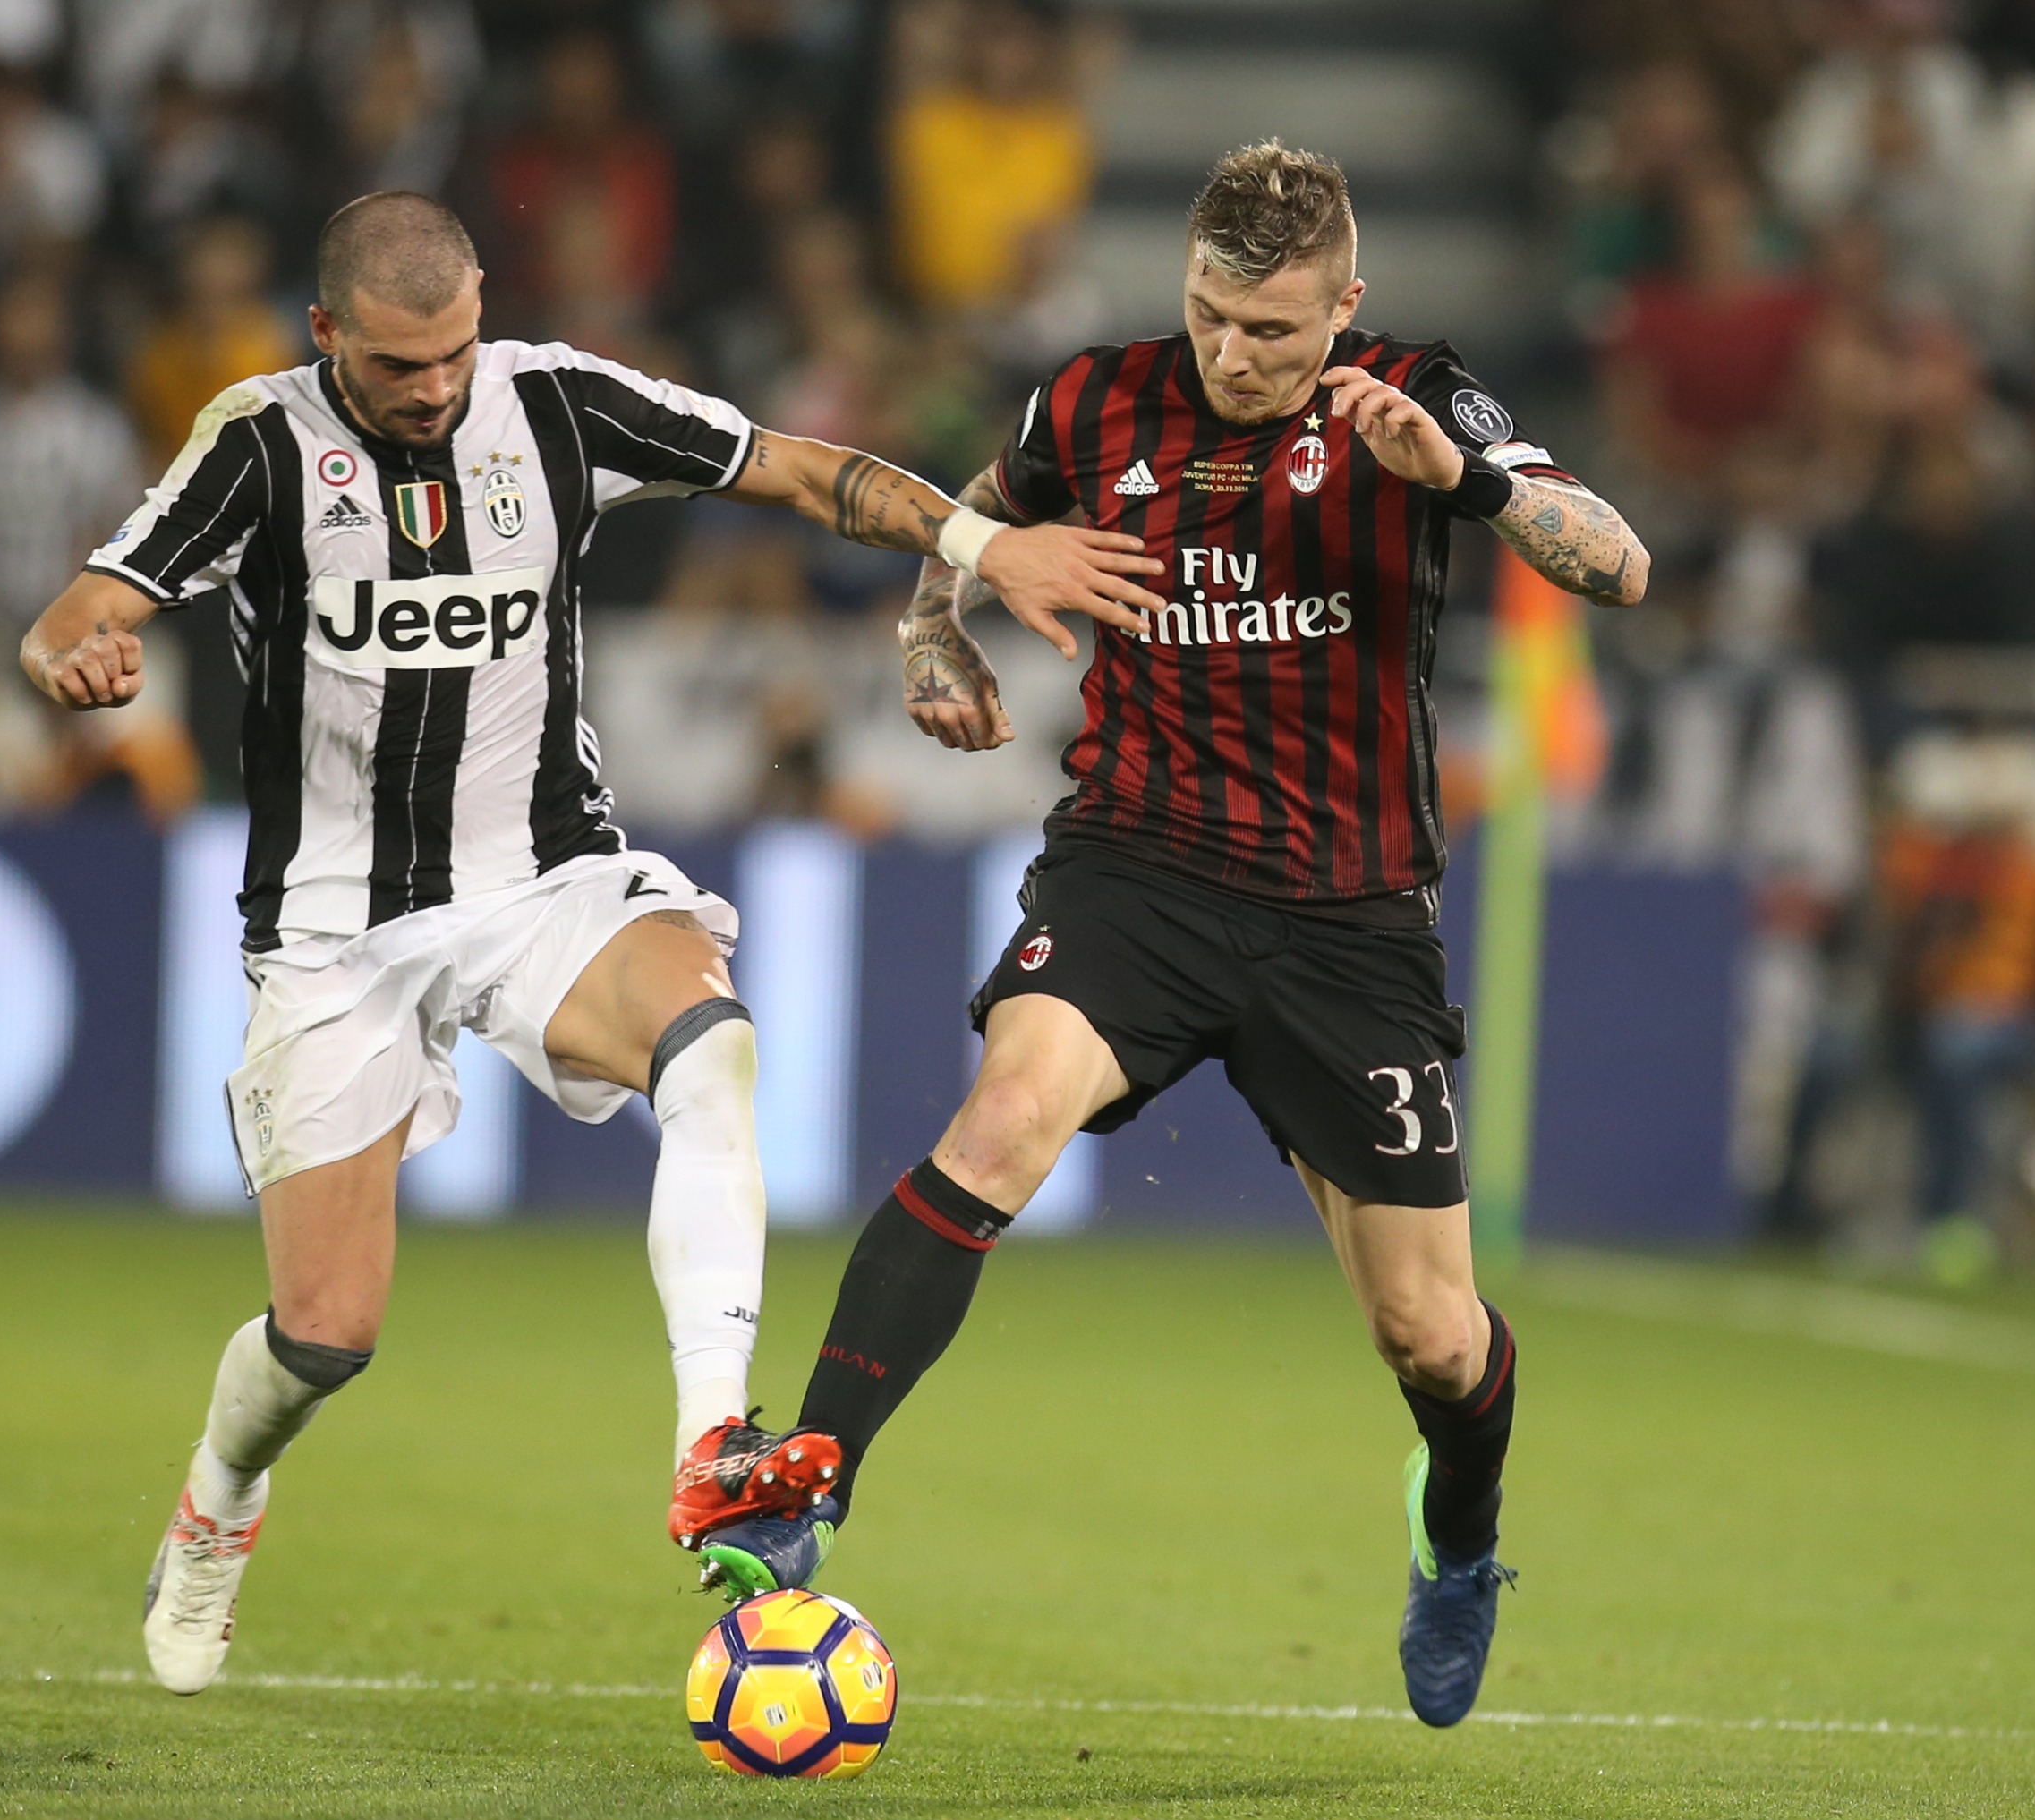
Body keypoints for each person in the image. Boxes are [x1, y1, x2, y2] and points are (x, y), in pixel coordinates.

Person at [13, 191, 1163, 1695]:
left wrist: (972, 541)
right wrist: (76, 651)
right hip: (333, 926)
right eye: (394, 367)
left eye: (450, 354)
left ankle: (711, 1442)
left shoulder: (558, 403)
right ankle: (218, 1501)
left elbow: (799, 470)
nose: (432, 390)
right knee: (326, 1333)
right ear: (324, 337)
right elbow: (83, 603)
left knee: (712, 1045)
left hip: (544, 876)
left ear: (482, 306)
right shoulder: (257, 440)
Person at [699, 144, 1651, 1732]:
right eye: (1210, 315)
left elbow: (1615, 563)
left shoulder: (1417, 398)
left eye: (1274, 331)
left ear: (1342, 306)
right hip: (1135, 870)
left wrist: (1464, 481)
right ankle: (804, 1485)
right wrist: (937, 639)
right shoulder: (1091, 404)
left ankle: (1461, 1535)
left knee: (1428, 1332)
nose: (1232, 354)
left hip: (1348, 917)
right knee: (1001, 1119)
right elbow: (964, 538)